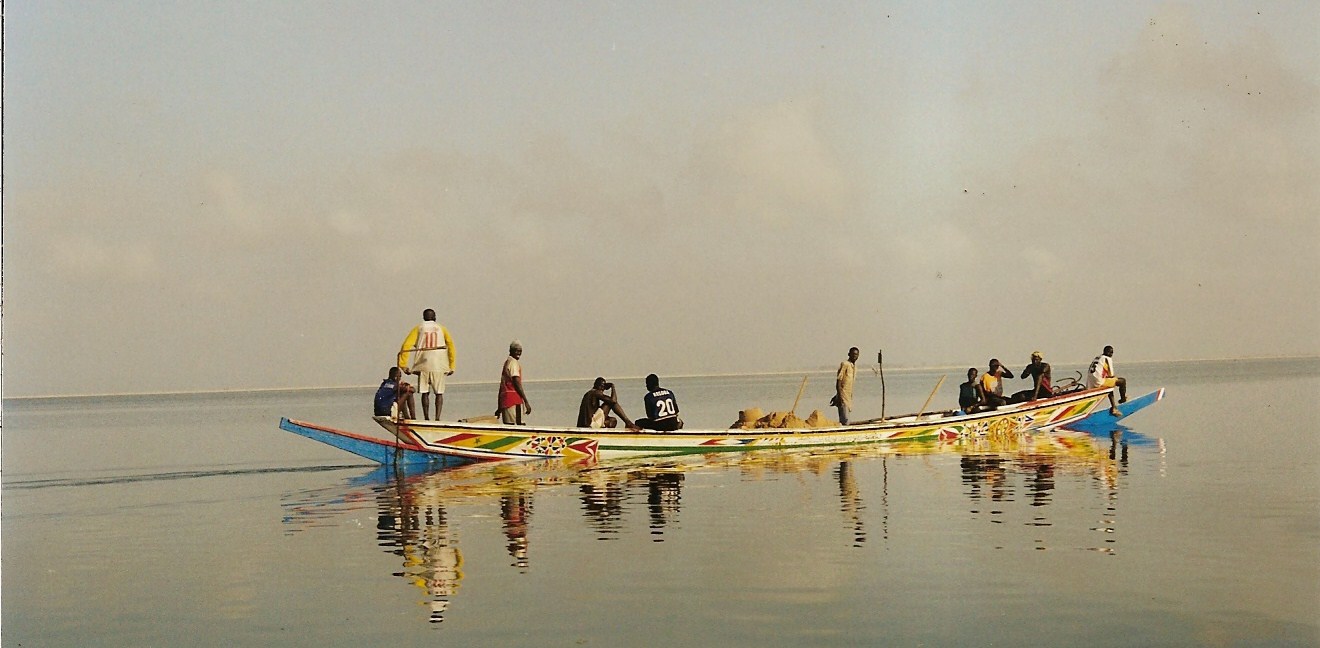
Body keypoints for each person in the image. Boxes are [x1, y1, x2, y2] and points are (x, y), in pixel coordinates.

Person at [399, 308, 456, 420]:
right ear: (435, 317)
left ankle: (426, 417)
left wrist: (403, 364)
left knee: (425, 392)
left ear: (423, 317)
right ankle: (437, 418)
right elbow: (451, 346)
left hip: (423, 363)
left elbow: (406, 345)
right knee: (439, 393)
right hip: (439, 364)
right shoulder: (441, 328)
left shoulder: (419, 328)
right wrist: (452, 365)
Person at [1086, 345, 1129, 416]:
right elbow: (1111, 374)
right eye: (1111, 352)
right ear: (1108, 353)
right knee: (1122, 381)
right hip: (1099, 381)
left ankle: (1114, 407)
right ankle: (1123, 399)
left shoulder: (1098, 357)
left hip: (1090, 382)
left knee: (1109, 384)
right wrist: (1113, 377)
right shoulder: (1107, 358)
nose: (1112, 354)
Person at [497, 341, 531, 425]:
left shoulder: (507, 363)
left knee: (514, 424)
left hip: (507, 400)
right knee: (513, 425)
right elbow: (516, 382)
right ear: (510, 351)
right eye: (516, 350)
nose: (518, 353)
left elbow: (502, 387)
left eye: (520, 351)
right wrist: (526, 401)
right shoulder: (513, 363)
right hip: (512, 400)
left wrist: (499, 407)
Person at [830, 347, 859, 424]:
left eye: (856, 355)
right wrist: (839, 396)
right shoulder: (845, 364)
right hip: (843, 397)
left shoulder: (854, 367)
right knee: (845, 419)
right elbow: (839, 381)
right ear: (849, 354)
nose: (855, 356)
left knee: (847, 417)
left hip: (849, 396)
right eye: (853, 354)